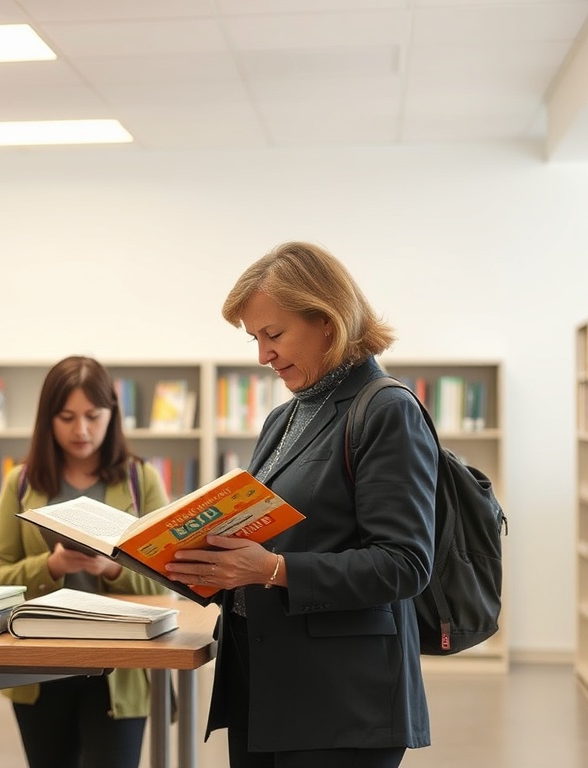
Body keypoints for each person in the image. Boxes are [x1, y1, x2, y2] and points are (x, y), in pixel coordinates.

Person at [165, 242, 437, 768]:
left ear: (329, 321)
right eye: (255, 338)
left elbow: (405, 564)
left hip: (340, 700)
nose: (263, 355)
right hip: (262, 681)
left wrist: (272, 568)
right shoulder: (283, 420)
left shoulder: (385, 409)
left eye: (274, 334)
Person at [0, 355, 172, 768]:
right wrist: (49, 566)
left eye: (93, 415)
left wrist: (113, 568)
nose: (81, 430)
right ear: (47, 419)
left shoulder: (142, 481)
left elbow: (166, 581)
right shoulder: (21, 482)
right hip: (40, 664)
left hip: (118, 666)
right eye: (66, 417)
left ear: (112, 415)